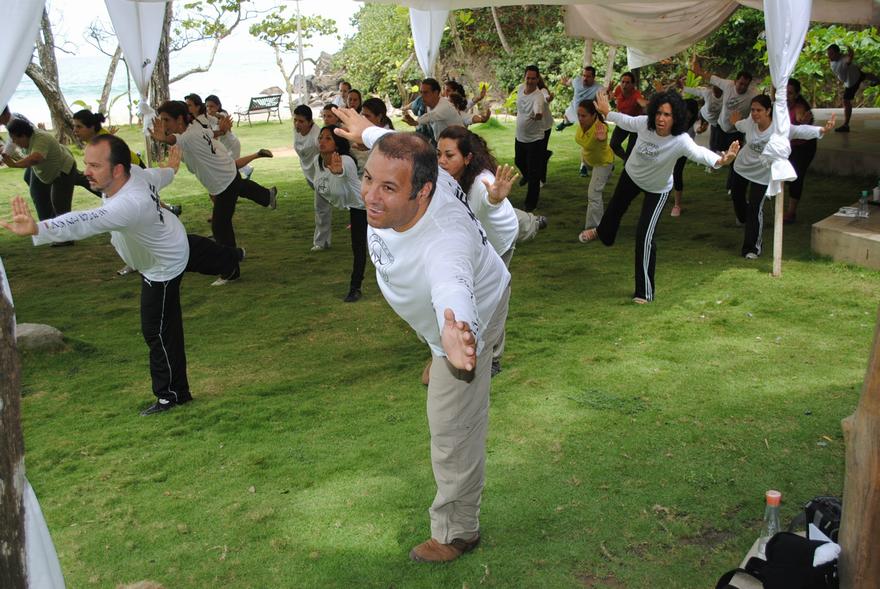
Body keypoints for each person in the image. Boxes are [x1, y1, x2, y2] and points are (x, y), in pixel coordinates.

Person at [332, 106, 510, 563]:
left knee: (452, 428)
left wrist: (457, 336)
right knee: (448, 342)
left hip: (473, 308)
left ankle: (457, 532)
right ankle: (455, 350)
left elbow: (453, 287)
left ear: (424, 191)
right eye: (369, 178)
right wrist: (365, 131)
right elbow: (393, 142)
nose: (370, 195)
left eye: (388, 188)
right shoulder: (420, 165)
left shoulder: (443, 241)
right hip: (453, 308)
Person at [0, 134, 244, 416]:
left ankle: (173, 396)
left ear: (117, 170)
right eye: (86, 164)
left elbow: (85, 221)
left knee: (159, 332)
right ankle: (233, 257)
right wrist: (171, 169)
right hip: (173, 237)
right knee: (200, 252)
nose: (86, 172)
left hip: (161, 267)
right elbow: (159, 175)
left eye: (94, 166)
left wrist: (39, 229)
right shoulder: (136, 174)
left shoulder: (128, 204)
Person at [582, 90, 740, 303]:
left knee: (645, 236)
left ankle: (644, 292)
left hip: (658, 189)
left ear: (675, 118)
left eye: (666, 114)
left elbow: (700, 154)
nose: (660, 118)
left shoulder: (681, 140)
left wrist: (722, 160)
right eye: (658, 113)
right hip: (631, 175)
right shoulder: (644, 124)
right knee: (614, 210)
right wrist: (607, 113)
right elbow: (625, 120)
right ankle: (603, 233)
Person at [437, 126, 542, 378]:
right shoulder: (445, 175)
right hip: (482, 232)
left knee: (492, 297)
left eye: (449, 155)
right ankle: (535, 222)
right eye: (438, 153)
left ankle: (493, 357)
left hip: (499, 239)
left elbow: (487, 198)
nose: (441, 161)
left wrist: (494, 198)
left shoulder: (481, 181)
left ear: (467, 158)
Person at [150, 100, 277, 283]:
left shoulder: (188, 136)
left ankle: (231, 268)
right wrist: (222, 131)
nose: (163, 125)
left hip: (224, 182)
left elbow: (174, 140)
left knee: (220, 226)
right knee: (228, 211)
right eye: (161, 120)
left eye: (166, 120)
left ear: (179, 119)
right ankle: (267, 197)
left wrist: (163, 138)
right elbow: (211, 132)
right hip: (226, 176)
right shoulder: (195, 127)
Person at [728, 95, 834, 259]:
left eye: (759, 110)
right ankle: (744, 218)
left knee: (755, 208)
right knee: (736, 195)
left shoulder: (779, 127)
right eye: (753, 110)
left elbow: (798, 131)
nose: (755, 114)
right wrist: (734, 121)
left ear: (768, 110)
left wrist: (821, 130)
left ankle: (751, 249)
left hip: (762, 172)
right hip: (743, 166)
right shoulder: (750, 123)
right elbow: (740, 125)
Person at [314, 126, 368, 302]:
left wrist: (339, 173)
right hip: (356, 208)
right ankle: (355, 287)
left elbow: (344, 172)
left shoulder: (345, 160)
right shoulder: (318, 161)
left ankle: (355, 287)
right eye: (321, 137)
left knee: (387, 246)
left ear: (337, 144)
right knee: (358, 248)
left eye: (328, 138)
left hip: (369, 207)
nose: (322, 141)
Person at [690, 62, 757, 198]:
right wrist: (699, 71)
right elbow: (711, 78)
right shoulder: (727, 85)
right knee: (716, 148)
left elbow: (761, 106)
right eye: (740, 83)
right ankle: (712, 165)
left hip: (736, 130)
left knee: (735, 159)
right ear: (735, 82)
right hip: (721, 126)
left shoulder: (752, 94)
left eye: (745, 85)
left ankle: (731, 186)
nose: (742, 87)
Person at [1, 119, 77, 230]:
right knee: (35, 189)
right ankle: (49, 228)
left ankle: (65, 237)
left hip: (63, 170)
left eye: (15, 139)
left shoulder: (40, 138)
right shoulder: (27, 139)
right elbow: (26, 158)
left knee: (60, 205)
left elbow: (35, 158)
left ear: (23, 136)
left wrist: (14, 165)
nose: (14, 142)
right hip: (47, 171)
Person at [293, 105, 331, 252]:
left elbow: (327, 152)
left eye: (301, 121)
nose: (297, 124)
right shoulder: (296, 131)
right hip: (309, 174)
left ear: (310, 122)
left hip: (321, 174)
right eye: (295, 120)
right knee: (322, 207)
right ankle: (324, 241)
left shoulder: (317, 136)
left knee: (321, 208)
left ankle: (321, 242)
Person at [573, 100, 614, 235]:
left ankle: (595, 228)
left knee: (594, 194)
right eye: (578, 115)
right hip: (589, 161)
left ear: (593, 115)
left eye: (583, 116)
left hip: (603, 163)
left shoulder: (600, 128)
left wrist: (602, 140)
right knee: (594, 190)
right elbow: (583, 142)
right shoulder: (582, 125)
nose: (580, 118)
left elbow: (602, 137)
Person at [514, 65, 549, 212]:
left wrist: (538, 115)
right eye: (528, 77)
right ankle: (532, 172)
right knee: (518, 161)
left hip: (535, 140)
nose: (530, 81)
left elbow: (538, 110)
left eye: (533, 78)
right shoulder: (521, 88)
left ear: (538, 79)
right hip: (520, 137)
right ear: (525, 77)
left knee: (534, 174)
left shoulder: (538, 96)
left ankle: (530, 204)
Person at [784, 79, 819, 224]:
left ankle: (791, 213)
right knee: (787, 176)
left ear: (797, 94)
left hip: (804, 147)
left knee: (796, 177)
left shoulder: (799, 108)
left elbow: (800, 118)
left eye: (790, 93)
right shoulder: (782, 105)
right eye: (784, 92)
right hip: (790, 145)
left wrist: (802, 123)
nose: (787, 95)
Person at [827, 44, 879, 132]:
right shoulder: (837, 60)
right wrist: (850, 52)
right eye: (828, 54)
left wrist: (850, 51)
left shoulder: (843, 60)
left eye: (831, 54)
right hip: (855, 75)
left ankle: (846, 125)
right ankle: (877, 79)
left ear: (837, 53)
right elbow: (849, 57)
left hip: (852, 81)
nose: (829, 56)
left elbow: (849, 59)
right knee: (865, 75)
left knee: (846, 101)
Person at [401, 78, 464, 144]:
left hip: (460, 143)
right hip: (444, 143)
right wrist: (405, 109)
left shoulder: (444, 107)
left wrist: (415, 122)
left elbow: (431, 115)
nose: (422, 96)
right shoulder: (429, 104)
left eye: (425, 92)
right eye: (421, 92)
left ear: (435, 93)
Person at [669, 99, 701, 217]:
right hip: (669, 146)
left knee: (677, 172)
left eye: (688, 112)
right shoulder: (674, 117)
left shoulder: (691, 127)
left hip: (682, 150)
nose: (686, 114)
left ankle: (677, 205)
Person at [608, 72, 647, 163]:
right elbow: (613, 97)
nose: (624, 85)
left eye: (628, 82)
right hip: (623, 121)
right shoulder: (618, 89)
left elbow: (642, 102)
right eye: (623, 82)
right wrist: (610, 91)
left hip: (635, 124)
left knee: (631, 151)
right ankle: (628, 161)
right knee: (613, 145)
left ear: (633, 84)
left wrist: (649, 104)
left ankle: (629, 164)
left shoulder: (636, 94)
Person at [556, 66, 601, 131]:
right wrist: (565, 83)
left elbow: (605, 92)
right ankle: (565, 123)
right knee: (566, 116)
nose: (585, 78)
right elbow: (570, 82)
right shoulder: (577, 81)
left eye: (588, 76)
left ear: (594, 77)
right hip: (574, 107)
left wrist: (609, 93)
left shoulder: (598, 87)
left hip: (585, 113)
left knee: (585, 131)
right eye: (584, 75)